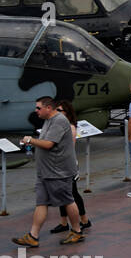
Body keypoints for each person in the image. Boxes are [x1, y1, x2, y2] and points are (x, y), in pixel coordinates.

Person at [12, 97, 84, 246]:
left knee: (68, 201)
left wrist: (30, 140)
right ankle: (33, 236)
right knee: (41, 202)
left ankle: (77, 231)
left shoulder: (58, 121)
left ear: (48, 108)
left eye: (38, 108)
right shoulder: (48, 121)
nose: (36, 111)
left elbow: (49, 144)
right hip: (45, 172)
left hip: (58, 172)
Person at [50, 100, 90, 234]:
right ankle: (63, 222)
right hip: (59, 164)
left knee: (72, 193)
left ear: (67, 113)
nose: (57, 113)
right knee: (61, 193)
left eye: (60, 111)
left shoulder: (69, 127)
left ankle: (84, 219)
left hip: (68, 164)